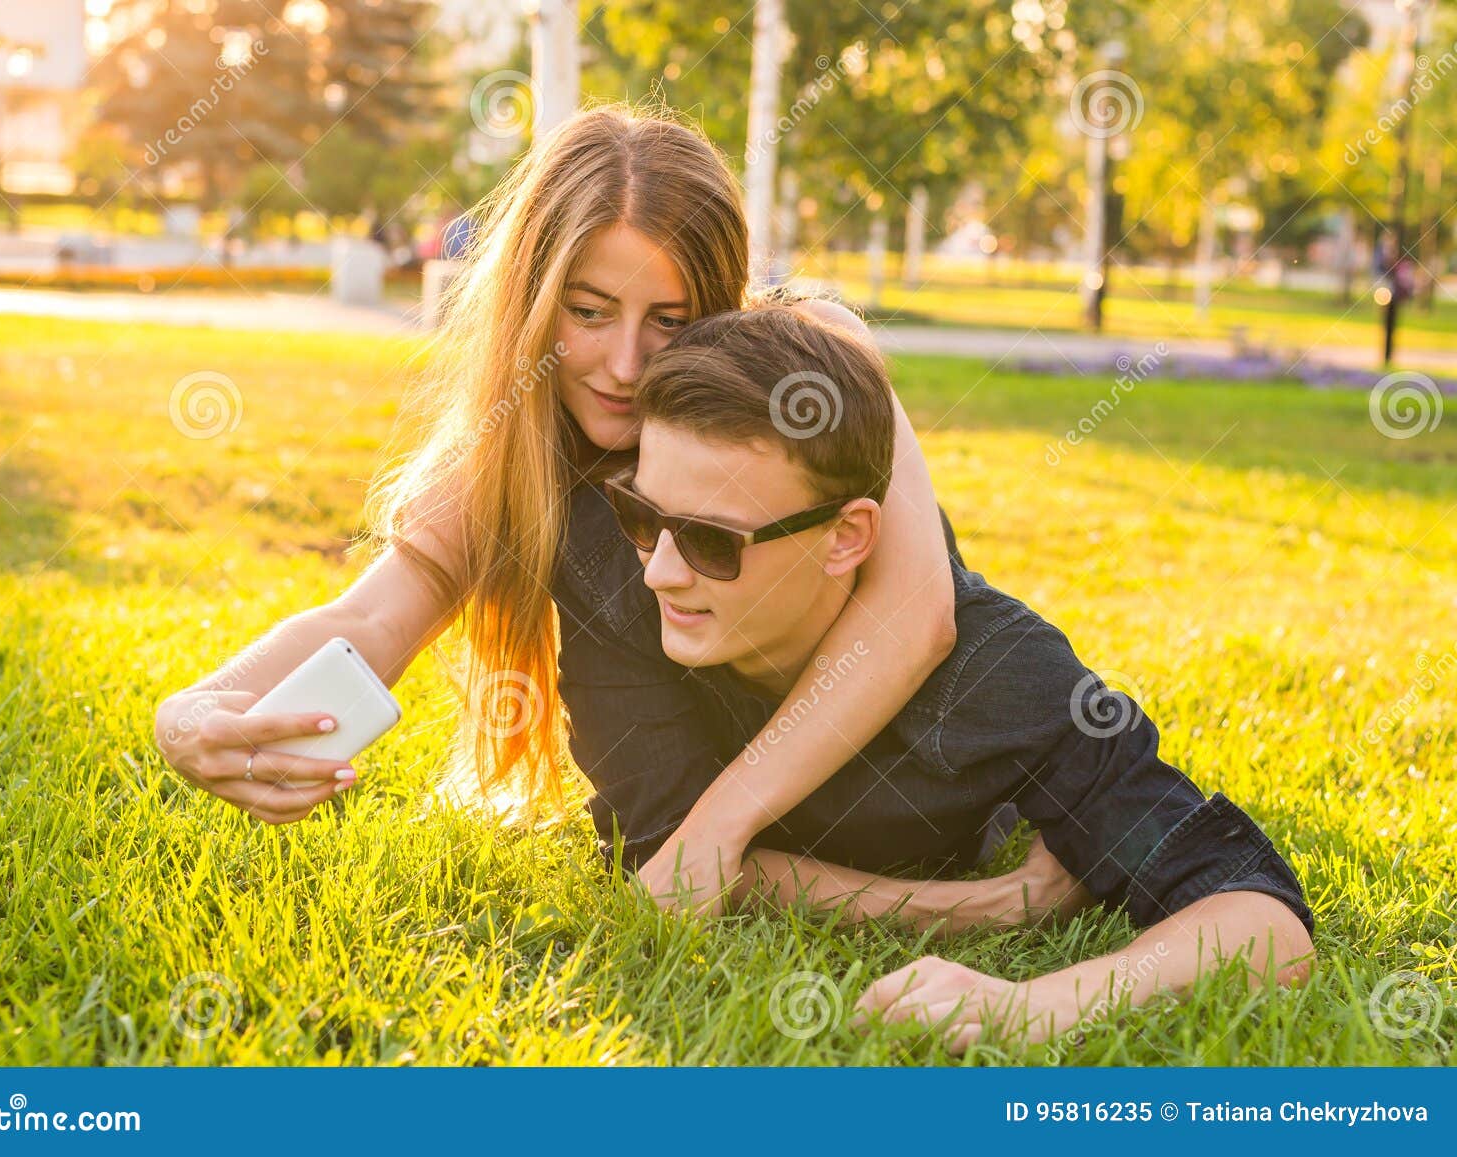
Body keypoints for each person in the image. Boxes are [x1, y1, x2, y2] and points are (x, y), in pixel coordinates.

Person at [153, 103, 963, 913]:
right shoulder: (514, 449)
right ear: (534, 301)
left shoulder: (812, 360)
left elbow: (917, 612)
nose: (623, 365)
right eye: (588, 312)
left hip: (916, 777)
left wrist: (714, 831)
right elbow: (369, 622)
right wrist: (187, 715)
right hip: (680, 817)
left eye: (670, 321)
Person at [555, 303, 1315, 1054]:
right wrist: (981, 909)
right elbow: (665, 853)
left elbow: (1261, 919)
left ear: (845, 537)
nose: (659, 569)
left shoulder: (1001, 679)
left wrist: (1038, 1005)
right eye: (642, 513)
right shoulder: (612, 583)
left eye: (709, 540)